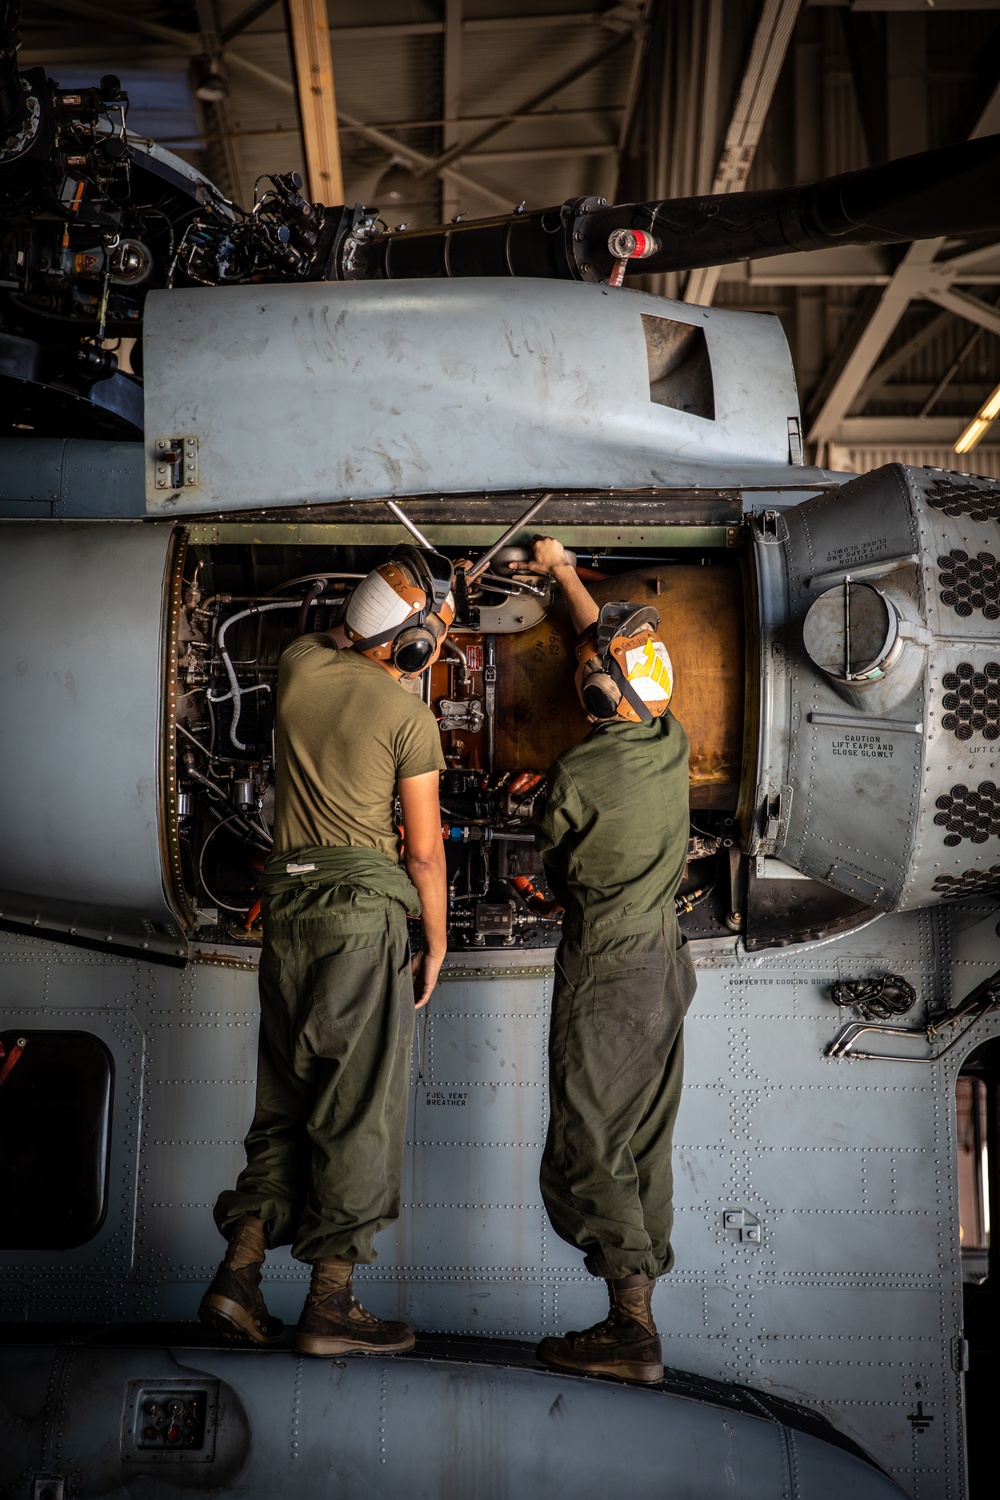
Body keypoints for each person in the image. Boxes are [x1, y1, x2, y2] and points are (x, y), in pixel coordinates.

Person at [199, 545, 453, 1358]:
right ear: (408, 652)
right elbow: (423, 855)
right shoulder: (409, 721)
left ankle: (239, 1274)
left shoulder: (300, 665)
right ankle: (332, 1304)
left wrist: (401, 621)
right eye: (433, 640)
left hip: (290, 921)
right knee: (356, 1107)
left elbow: (348, 641)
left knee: (282, 1102)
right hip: (359, 919)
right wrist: (436, 941)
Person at [522, 537, 696, 1384]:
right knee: (643, 1140)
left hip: (611, 968)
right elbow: (612, 658)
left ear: (595, 691)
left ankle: (629, 1329)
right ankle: (638, 1315)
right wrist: (560, 574)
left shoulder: (578, 772)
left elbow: (550, 866)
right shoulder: (670, 736)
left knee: (589, 1143)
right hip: (667, 962)